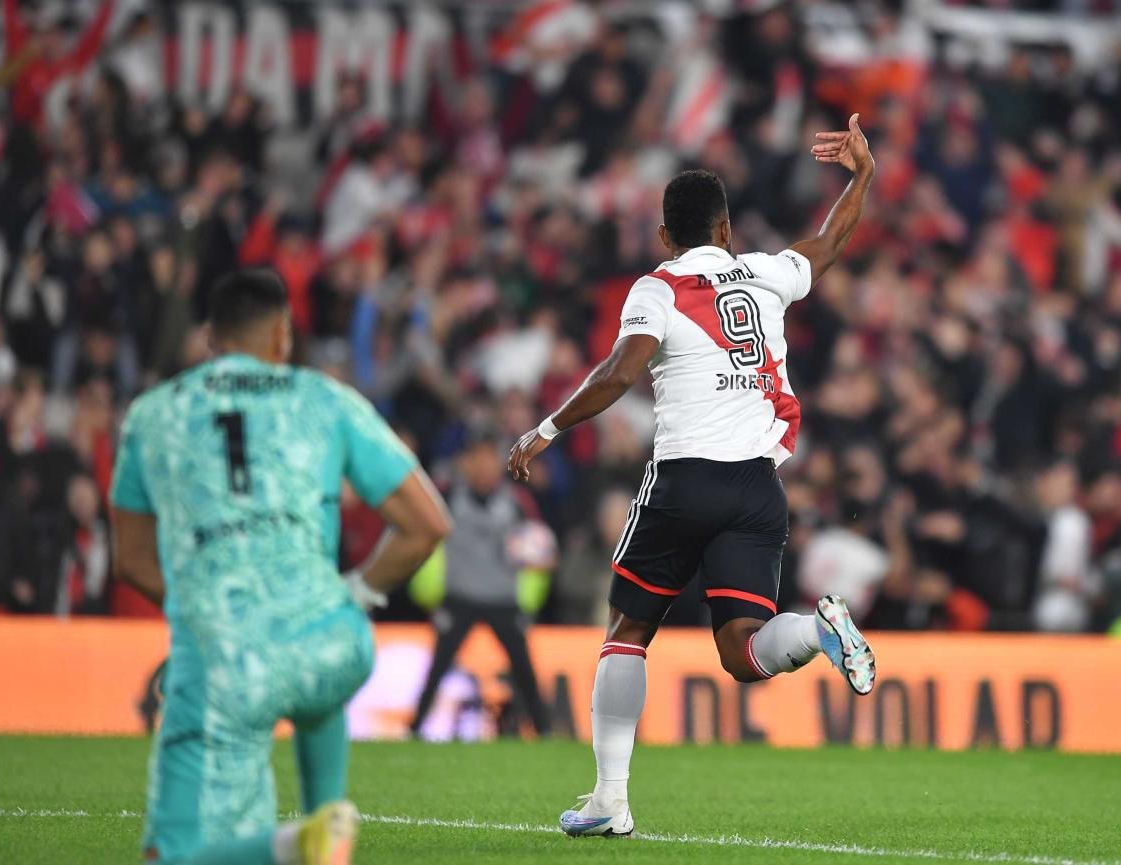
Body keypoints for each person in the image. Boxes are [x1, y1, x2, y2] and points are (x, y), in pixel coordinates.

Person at [508, 114, 877, 837]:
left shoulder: (659, 286)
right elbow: (831, 240)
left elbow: (620, 372)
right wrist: (863, 174)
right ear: (727, 229)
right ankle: (819, 632)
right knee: (746, 651)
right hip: (756, 490)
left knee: (628, 629)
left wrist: (546, 428)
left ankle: (611, 800)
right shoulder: (766, 272)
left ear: (665, 238)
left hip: (684, 481)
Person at [110, 268, 451, 865]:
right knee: (320, 687)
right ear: (281, 339)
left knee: (174, 856)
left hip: (228, 660)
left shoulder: (151, 416)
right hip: (332, 639)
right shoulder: (325, 398)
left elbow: (131, 558)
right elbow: (427, 524)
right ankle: (327, 819)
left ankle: (300, 845)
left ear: (208, 341)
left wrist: (203, 599)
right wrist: (359, 595)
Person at [409, 428, 551, 738]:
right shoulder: (447, 497)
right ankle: (416, 726)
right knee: (438, 666)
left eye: (489, 459)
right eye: (478, 459)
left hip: (502, 597)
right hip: (459, 596)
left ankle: (543, 729)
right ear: (467, 463)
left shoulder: (516, 501)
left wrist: (530, 593)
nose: (484, 466)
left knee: (524, 668)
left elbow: (539, 548)